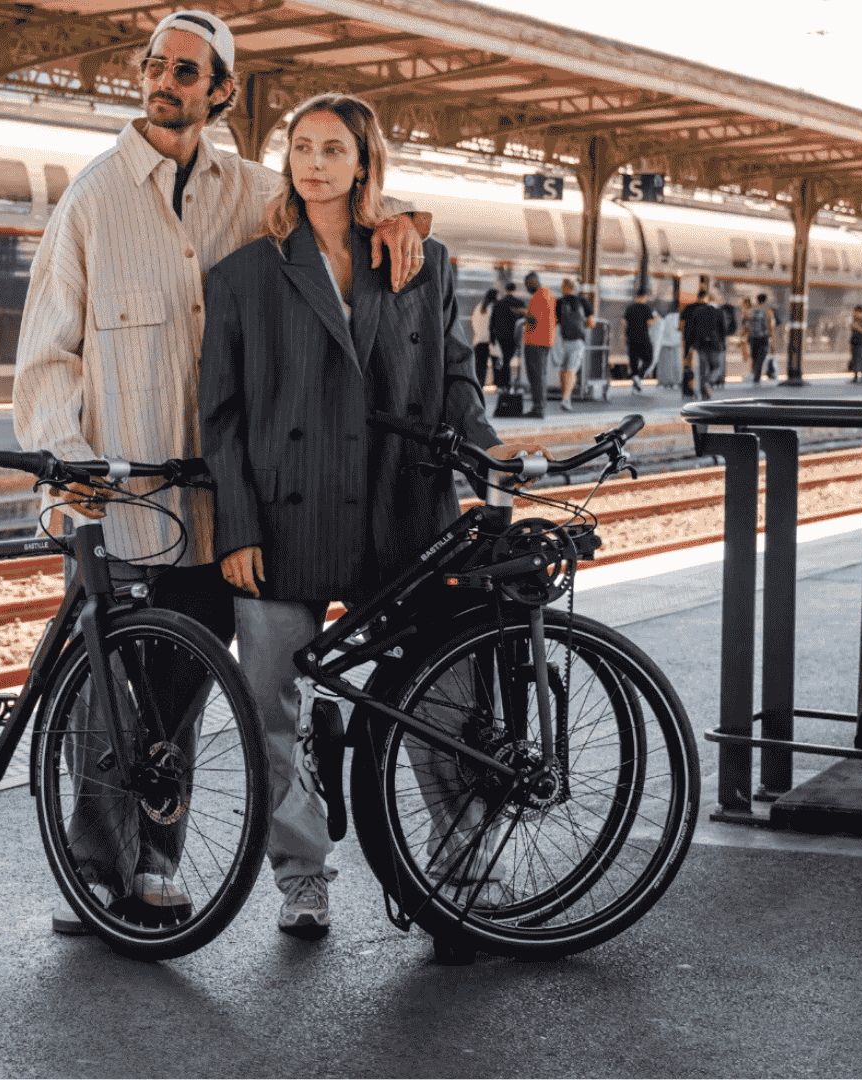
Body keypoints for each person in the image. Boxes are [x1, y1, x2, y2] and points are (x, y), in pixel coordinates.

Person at [13, 9, 430, 937]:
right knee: (105, 697)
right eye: (156, 67)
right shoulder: (91, 200)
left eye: (188, 72)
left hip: (215, 506)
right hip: (120, 501)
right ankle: (94, 875)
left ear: (220, 91)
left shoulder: (252, 192)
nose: (166, 83)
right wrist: (70, 467)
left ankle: (153, 864)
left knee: (179, 696)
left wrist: (401, 219)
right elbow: (46, 353)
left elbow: (337, 214)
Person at [200, 92, 539, 939]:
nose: (314, 163)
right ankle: (302, 878)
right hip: (285, 520)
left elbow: (457, 377)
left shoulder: (419, 259)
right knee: (270, 710)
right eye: (301, 148)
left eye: (334, 149)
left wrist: (488, 448)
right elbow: (223, 415)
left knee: (443, 701)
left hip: (403, 516)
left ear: (363, 163)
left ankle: (465, 872)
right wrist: (235, 526)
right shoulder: (245, 274)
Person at [550, 278, 592, 411]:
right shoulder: (582, 301)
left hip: (564, 341)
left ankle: (565, 397)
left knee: (564, 370)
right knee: (571, 370)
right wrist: (582, 324)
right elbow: (591, 322)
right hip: (578, 340)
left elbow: (554, 322)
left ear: (565, 287)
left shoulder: (559, 302)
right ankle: (566, 399)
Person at [521, 272, 554, 418]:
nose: (527, 287)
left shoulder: (539, 296)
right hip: (544, 340)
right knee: (540, 375)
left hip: (535, 341)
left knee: (536, 376)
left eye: (528, 284)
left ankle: (538, 408)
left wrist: (522, 313)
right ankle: (539, 406)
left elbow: (534, 319)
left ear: (533, 281)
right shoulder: (548, 294)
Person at [682, 290, 726, 400]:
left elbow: (691, 329)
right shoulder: (719, 311)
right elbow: (723, 330)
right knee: (716, 367)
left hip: (700, 344)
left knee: (702, 369)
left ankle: (703, 391)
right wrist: (722, 344)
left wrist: (690, 344)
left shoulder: (698, 311)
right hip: (715, 344)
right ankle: (708, 382)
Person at [489, 281, 526, 392]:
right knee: (508, 359)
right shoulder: (519, 303)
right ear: (515, 290)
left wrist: (492, 338)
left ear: (505, 290)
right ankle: (509, 383)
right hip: (515, 336)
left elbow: (492, 322)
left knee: (506, 359)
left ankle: (505, 384)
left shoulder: (498, 303)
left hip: (501, 336)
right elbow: (524, 320)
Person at [622, 288, 655, 393]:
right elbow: (650, 323)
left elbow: (623, 322)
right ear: (644, 296)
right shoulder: (646, 308)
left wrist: (626, 334)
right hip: (643, 338)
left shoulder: (630, 308)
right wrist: (655, 320)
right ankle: (638, 377)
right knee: (649, 359)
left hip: (631, 338)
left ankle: (635, 386)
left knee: (634, 362)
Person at [747, 292, 776, 383]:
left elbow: (746, 323)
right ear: (765, 300)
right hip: (763, 337)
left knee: (754, 356)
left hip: (752, 337)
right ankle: (757, 374)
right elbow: (770, 324)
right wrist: (771, 337)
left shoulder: (751, 310)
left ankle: (755, 372)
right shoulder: (767, 310)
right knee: (761, 356)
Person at [470, 288, 497, 387]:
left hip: (478, 342)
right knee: (494, 367)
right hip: (488, 342)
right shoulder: (492, 308)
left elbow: (473, 323)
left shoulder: (479, 307)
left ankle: (478, 389)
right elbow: (492, 326)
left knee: (479, 369)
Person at [654, 301, 683, 389]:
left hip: (665, 344)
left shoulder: (666, 317)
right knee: (676, 365)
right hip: (676, 344)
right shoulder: (679, 317)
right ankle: (675, 383)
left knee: (665, 366)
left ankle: (663, 383)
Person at [848, 305, 862, 384]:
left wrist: (857, 327)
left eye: (858, 312)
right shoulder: (854, 320)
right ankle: (855, 377)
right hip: (854, 343)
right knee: (855, 360)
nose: (856, 314)